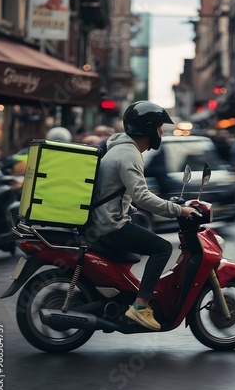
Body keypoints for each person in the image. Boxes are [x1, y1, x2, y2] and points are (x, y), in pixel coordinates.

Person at [86, 100, 201, 331]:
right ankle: (140, 307)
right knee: (162, 248)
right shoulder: (129, 154)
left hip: (104, 220)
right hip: (110, 225)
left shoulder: (120, 148)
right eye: (159, 127)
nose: (161, 132)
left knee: (138, 251)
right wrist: (179, 209)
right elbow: (142, 195)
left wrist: (129, 207)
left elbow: (120, 192)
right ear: (148, 128)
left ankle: (126, 299)